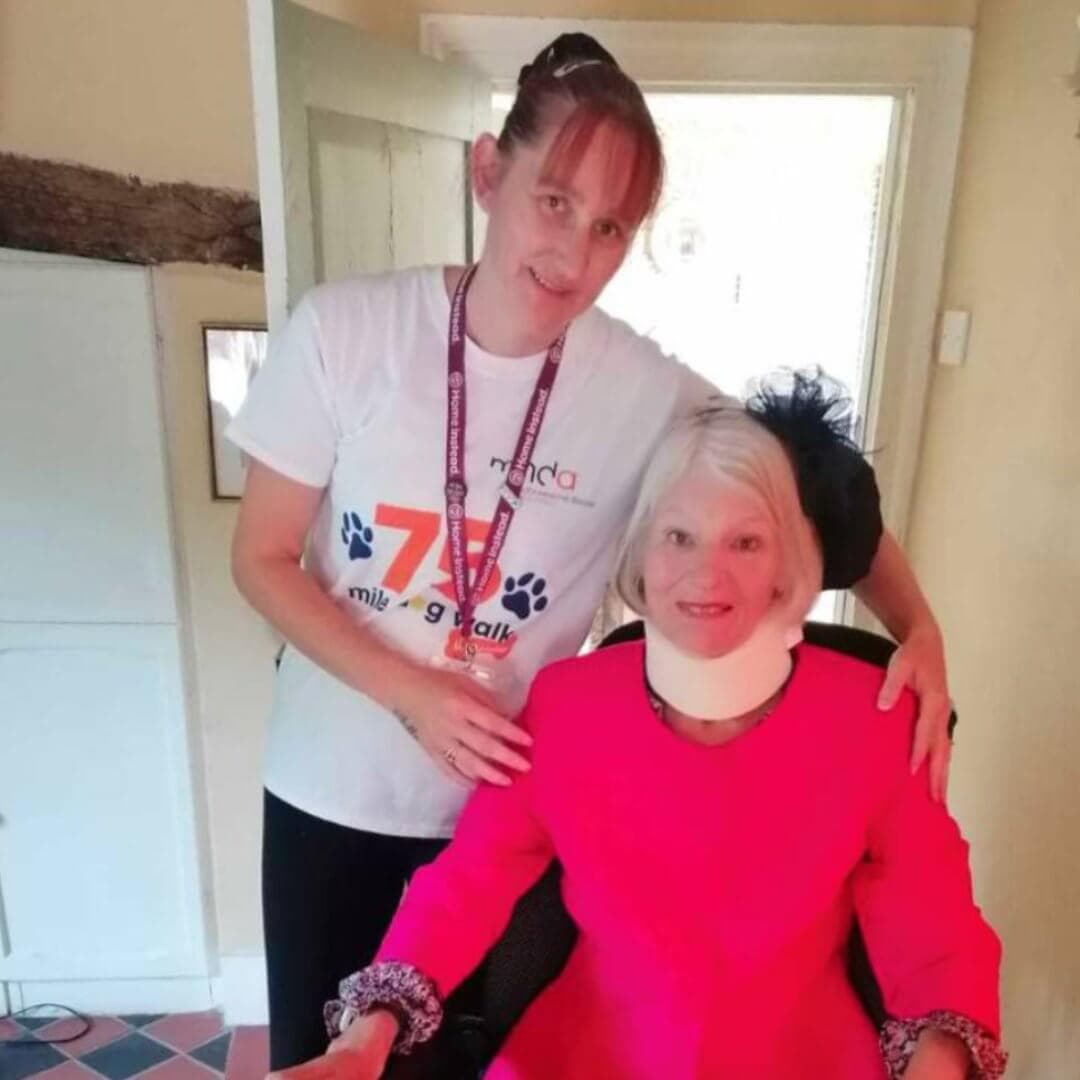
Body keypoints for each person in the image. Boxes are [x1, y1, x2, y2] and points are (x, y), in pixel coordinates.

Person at [228, 33, 954, 1071]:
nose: (573, 254)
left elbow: (811, 486)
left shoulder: (643, 387)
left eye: (611, 226)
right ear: (488, 172)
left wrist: (917, 624)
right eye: (554, 201)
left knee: (467, 1049)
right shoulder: (348, 332)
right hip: (332, 786)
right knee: (332, 1050)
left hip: (517, 796)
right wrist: (411, 692)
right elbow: (260, 558)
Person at [284, 380, 1005, 1080]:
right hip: (586, 1052)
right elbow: (470, 881)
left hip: (804, 1054)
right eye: (679, 537)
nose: (705, 576)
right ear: (640, 551)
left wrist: (937, 1065)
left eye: (746, 543)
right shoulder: (566, 706)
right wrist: (367, 1033)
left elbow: (934, 920)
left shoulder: (873, 716)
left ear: (788, 563)